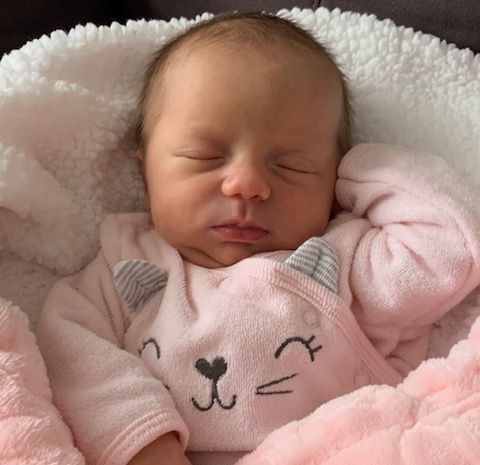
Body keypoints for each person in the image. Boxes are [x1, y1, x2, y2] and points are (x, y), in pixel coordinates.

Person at [36, 11, 480, 465]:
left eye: (293, 165)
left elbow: (453, 248)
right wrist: (147, 445)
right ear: (144, 168)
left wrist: (357, 169)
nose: (247, 184)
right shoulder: (124, 262)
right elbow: (74, 356)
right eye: (205, 156)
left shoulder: (343, 259)